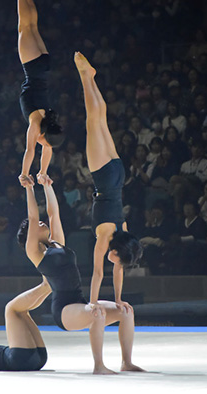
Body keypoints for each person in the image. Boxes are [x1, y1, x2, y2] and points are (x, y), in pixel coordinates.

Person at [17, 176, 144, 375]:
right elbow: (33, 217)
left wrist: (48, 186)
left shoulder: (56, 243)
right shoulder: (35, 252)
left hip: (80, 303)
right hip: (64, 310)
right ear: (30, 237)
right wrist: (29, 188)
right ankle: (98, 366)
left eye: (42, 223)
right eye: (37, 225)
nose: (41, 223)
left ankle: (126, 362)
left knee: (126, 312)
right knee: (98, 314)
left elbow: (53, 214)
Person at [74, 51, 143, 309]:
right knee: (93, 121)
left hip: (117, 174)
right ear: (115, 252)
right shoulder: (104, 238)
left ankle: (91, 77)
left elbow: (117, 270)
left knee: (101, 121)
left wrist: (117, 300)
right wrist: (92, 304)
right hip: (103, 177)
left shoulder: (123, 232)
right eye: (118, 260)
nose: (116, 264)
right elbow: (98, 273)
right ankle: (84, 76)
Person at [11, 0, 64, 188]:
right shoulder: (35, 124)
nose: (44, 146)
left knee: (32, 26)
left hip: (44, 66)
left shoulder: (49, 125)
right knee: (24, 26)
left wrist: (42, 173)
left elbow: (43, 153)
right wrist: (24, 174)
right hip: (32, 67)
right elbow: (30, 150)